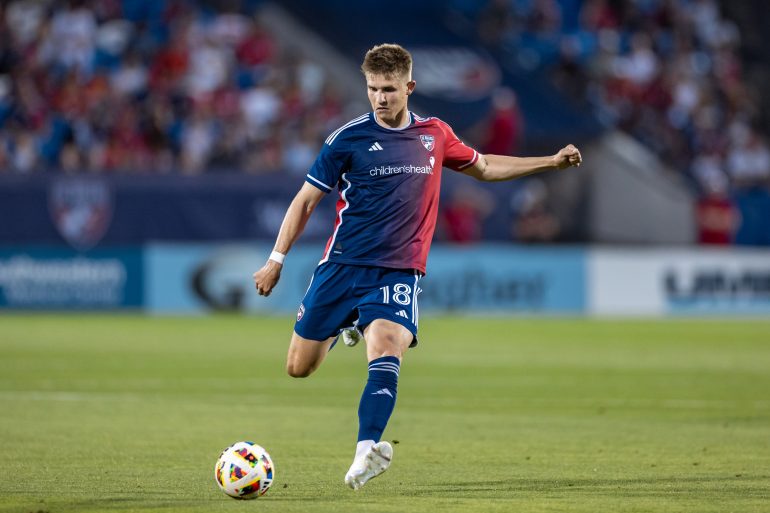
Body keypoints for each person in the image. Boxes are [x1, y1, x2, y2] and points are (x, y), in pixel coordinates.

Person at [252, 43, 582, 490]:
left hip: (398, 270)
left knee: (387, 348)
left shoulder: (435, 134)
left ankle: (366, 450)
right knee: (299, 367)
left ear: (409, 87)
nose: (380, 97)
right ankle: (349, 324)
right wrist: (276, 260)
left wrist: (549, 161)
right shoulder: (346, 138)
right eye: (372, 89)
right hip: (341, 267)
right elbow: (305, 200)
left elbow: (485, 168)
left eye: (388, 89)